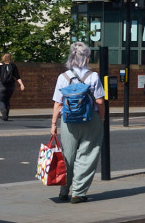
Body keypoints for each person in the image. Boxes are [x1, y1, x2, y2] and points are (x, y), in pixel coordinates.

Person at [50, 42, 105, 204]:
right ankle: (78, 193)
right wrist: (101, 119)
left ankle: (63, 190)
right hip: (90, 119)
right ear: (87, 58)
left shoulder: (63, 77)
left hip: (68, 121)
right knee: (87, 155)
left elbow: (58, 103)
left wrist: (53, 123)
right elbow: (100, 102)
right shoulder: (93, 77)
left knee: (68, 155)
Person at [0, 52, 24, 121]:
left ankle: (3, 110)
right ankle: (6, 116)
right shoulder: (13, 65)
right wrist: (21, 84)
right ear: (10, 58)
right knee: (7, 100)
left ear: (3, 57)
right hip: (11, 85)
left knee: (0, 100)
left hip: (1, 84)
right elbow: (17, 76)